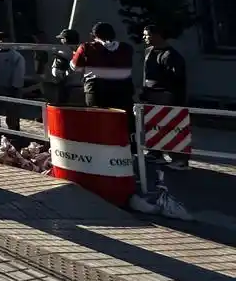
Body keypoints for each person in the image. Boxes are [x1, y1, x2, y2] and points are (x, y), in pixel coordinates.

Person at [141, 24, 190, 170]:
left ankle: (179, 159)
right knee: (153, 125)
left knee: (172, 126)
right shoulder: (149, 51)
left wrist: (174, 97)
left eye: (146, 34)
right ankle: (155, 153)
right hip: (151, 94)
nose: (144, 37)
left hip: (167, 95)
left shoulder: (171, 55)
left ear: (157, 35)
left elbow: (178, 79)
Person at [70, 22, 134, 127]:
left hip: (97, 90)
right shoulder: (127, 48)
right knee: (123, 123)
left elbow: (75, 67)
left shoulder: (86, 47)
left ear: (94, 35)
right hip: (123, 90)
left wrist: (75, 55)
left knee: (98, 123)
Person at [44, 29, 83, 106]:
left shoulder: (62, 53)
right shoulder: (82, 50)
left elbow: (57, 73)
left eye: (61, 38)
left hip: (67, 88)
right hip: (82, 86)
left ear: (65, 40)